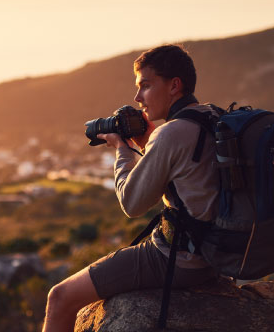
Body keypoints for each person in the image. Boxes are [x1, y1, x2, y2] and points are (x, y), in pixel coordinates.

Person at [42, 44, 221, 332]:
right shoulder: (212, 117)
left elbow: (132, 204)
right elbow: (190, 183)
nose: (138, 98)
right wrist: (147, 144)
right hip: (215, 255)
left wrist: (122, 150)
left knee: (60, 297)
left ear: (175, 85)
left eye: (146, 86)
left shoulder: (171, 134)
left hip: (179, 260)